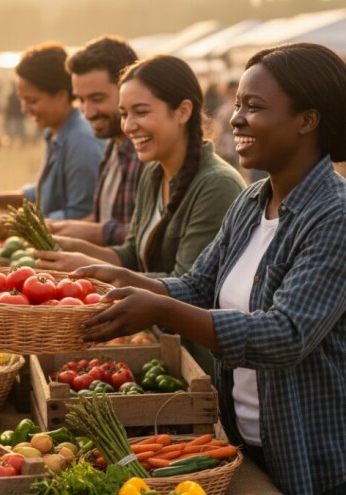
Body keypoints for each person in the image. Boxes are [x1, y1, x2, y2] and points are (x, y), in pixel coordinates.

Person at [76, 43, 346, 494]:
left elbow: (285, 335)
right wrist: (130, 281)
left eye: (254, 107)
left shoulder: (341, 218)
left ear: (307, 120)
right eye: (238, 104)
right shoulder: (252, 200)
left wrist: (158, 309)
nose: (235, 118)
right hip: (251, 442)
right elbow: (199, 285)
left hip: (326, 458)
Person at [37, 55, 244, 375]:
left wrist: (93, 269)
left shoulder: (216, 184)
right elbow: (132, 252)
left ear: (183, 111)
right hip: (154, 348)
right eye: (124, 114)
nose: (129, 125)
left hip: (195, 364)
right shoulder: (153, 174)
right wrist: (70, 251)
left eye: (141, 112)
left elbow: (190, 289)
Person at [0, 42, 104, 220]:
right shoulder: (56, 133)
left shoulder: (81, 142)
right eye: (22, 100)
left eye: (32, 101)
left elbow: (80, 215)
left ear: (61, 95)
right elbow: (45, 195)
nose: (24, 109)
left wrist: (21, 225)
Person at [46, 35, 143, 247]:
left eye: (97, 99)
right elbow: (106, 220)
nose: (87, 112)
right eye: (80, 100)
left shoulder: (145, 153)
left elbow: (143, 238)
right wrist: (61, 229)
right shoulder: (111, 146)